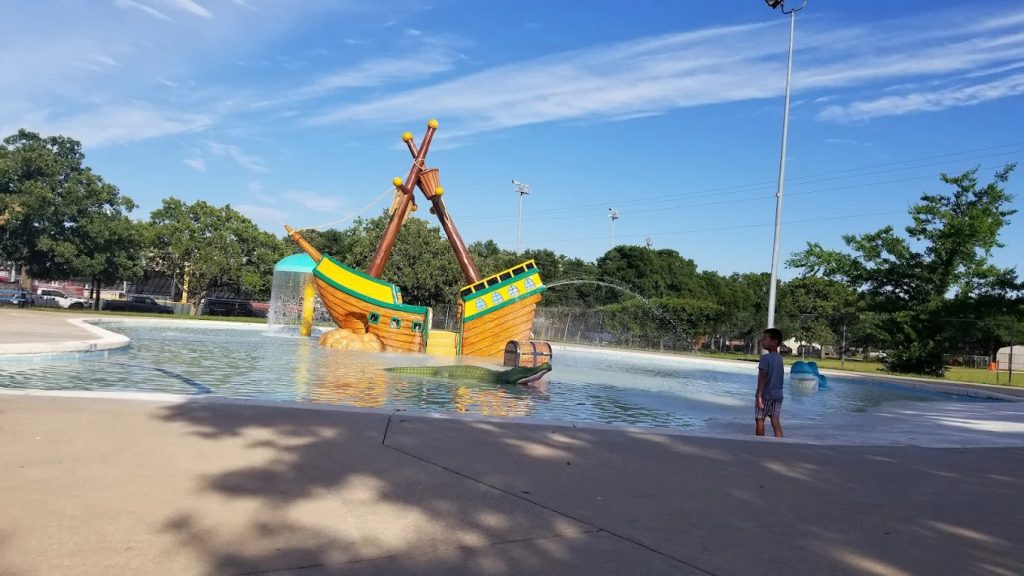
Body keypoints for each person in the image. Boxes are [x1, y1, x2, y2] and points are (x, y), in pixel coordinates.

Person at [755, 328, 784, 438]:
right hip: (778, 395)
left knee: (760, 418)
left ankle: (759, 442)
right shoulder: (779, 358)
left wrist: (759, 394)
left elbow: (763, 376)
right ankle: (780, 441)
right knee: (775, 419)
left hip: (766, 394)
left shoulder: (765, 358)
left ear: (774, 342)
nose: (762, 341)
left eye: (765, 339)